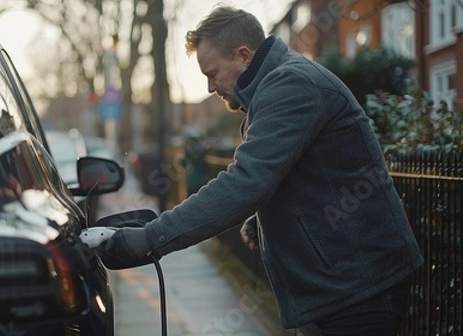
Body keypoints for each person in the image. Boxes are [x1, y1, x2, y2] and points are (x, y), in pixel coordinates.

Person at [101, 5, 424, 335]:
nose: (211, 87)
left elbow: (245, 182)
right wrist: (263, 217)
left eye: (212, 73)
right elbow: (305, 171)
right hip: (342, 286)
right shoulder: (277, 85)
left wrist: (152, 237)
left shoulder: (291, 85)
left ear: (243, 56)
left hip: (360, 287)